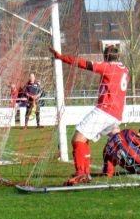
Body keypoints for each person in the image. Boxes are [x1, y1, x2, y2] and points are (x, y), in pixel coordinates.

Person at [50, 45, 129, 186]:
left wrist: (61, 57)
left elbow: (83, 63)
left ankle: (82, 173)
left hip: (105, 111)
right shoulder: (124, 69)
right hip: (116, 114)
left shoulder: (107, 67)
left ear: (105, 57)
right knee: (111, 141)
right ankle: (92, 172)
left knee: (78, 139)